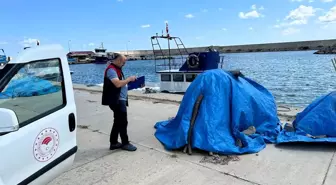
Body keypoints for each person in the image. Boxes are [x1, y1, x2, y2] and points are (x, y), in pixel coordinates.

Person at [101, 53, 137, 151]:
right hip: (116, 100)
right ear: (118, 60)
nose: (124, 64)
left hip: (120, 99)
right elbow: (117, 84)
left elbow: (121, 84)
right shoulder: (111, 70)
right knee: (123, 122)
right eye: (123, 62)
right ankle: (125, 143)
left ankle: (113, 143)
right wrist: (129, 79)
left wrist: (133, 83)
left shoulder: (117, 69)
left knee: (117, 121)